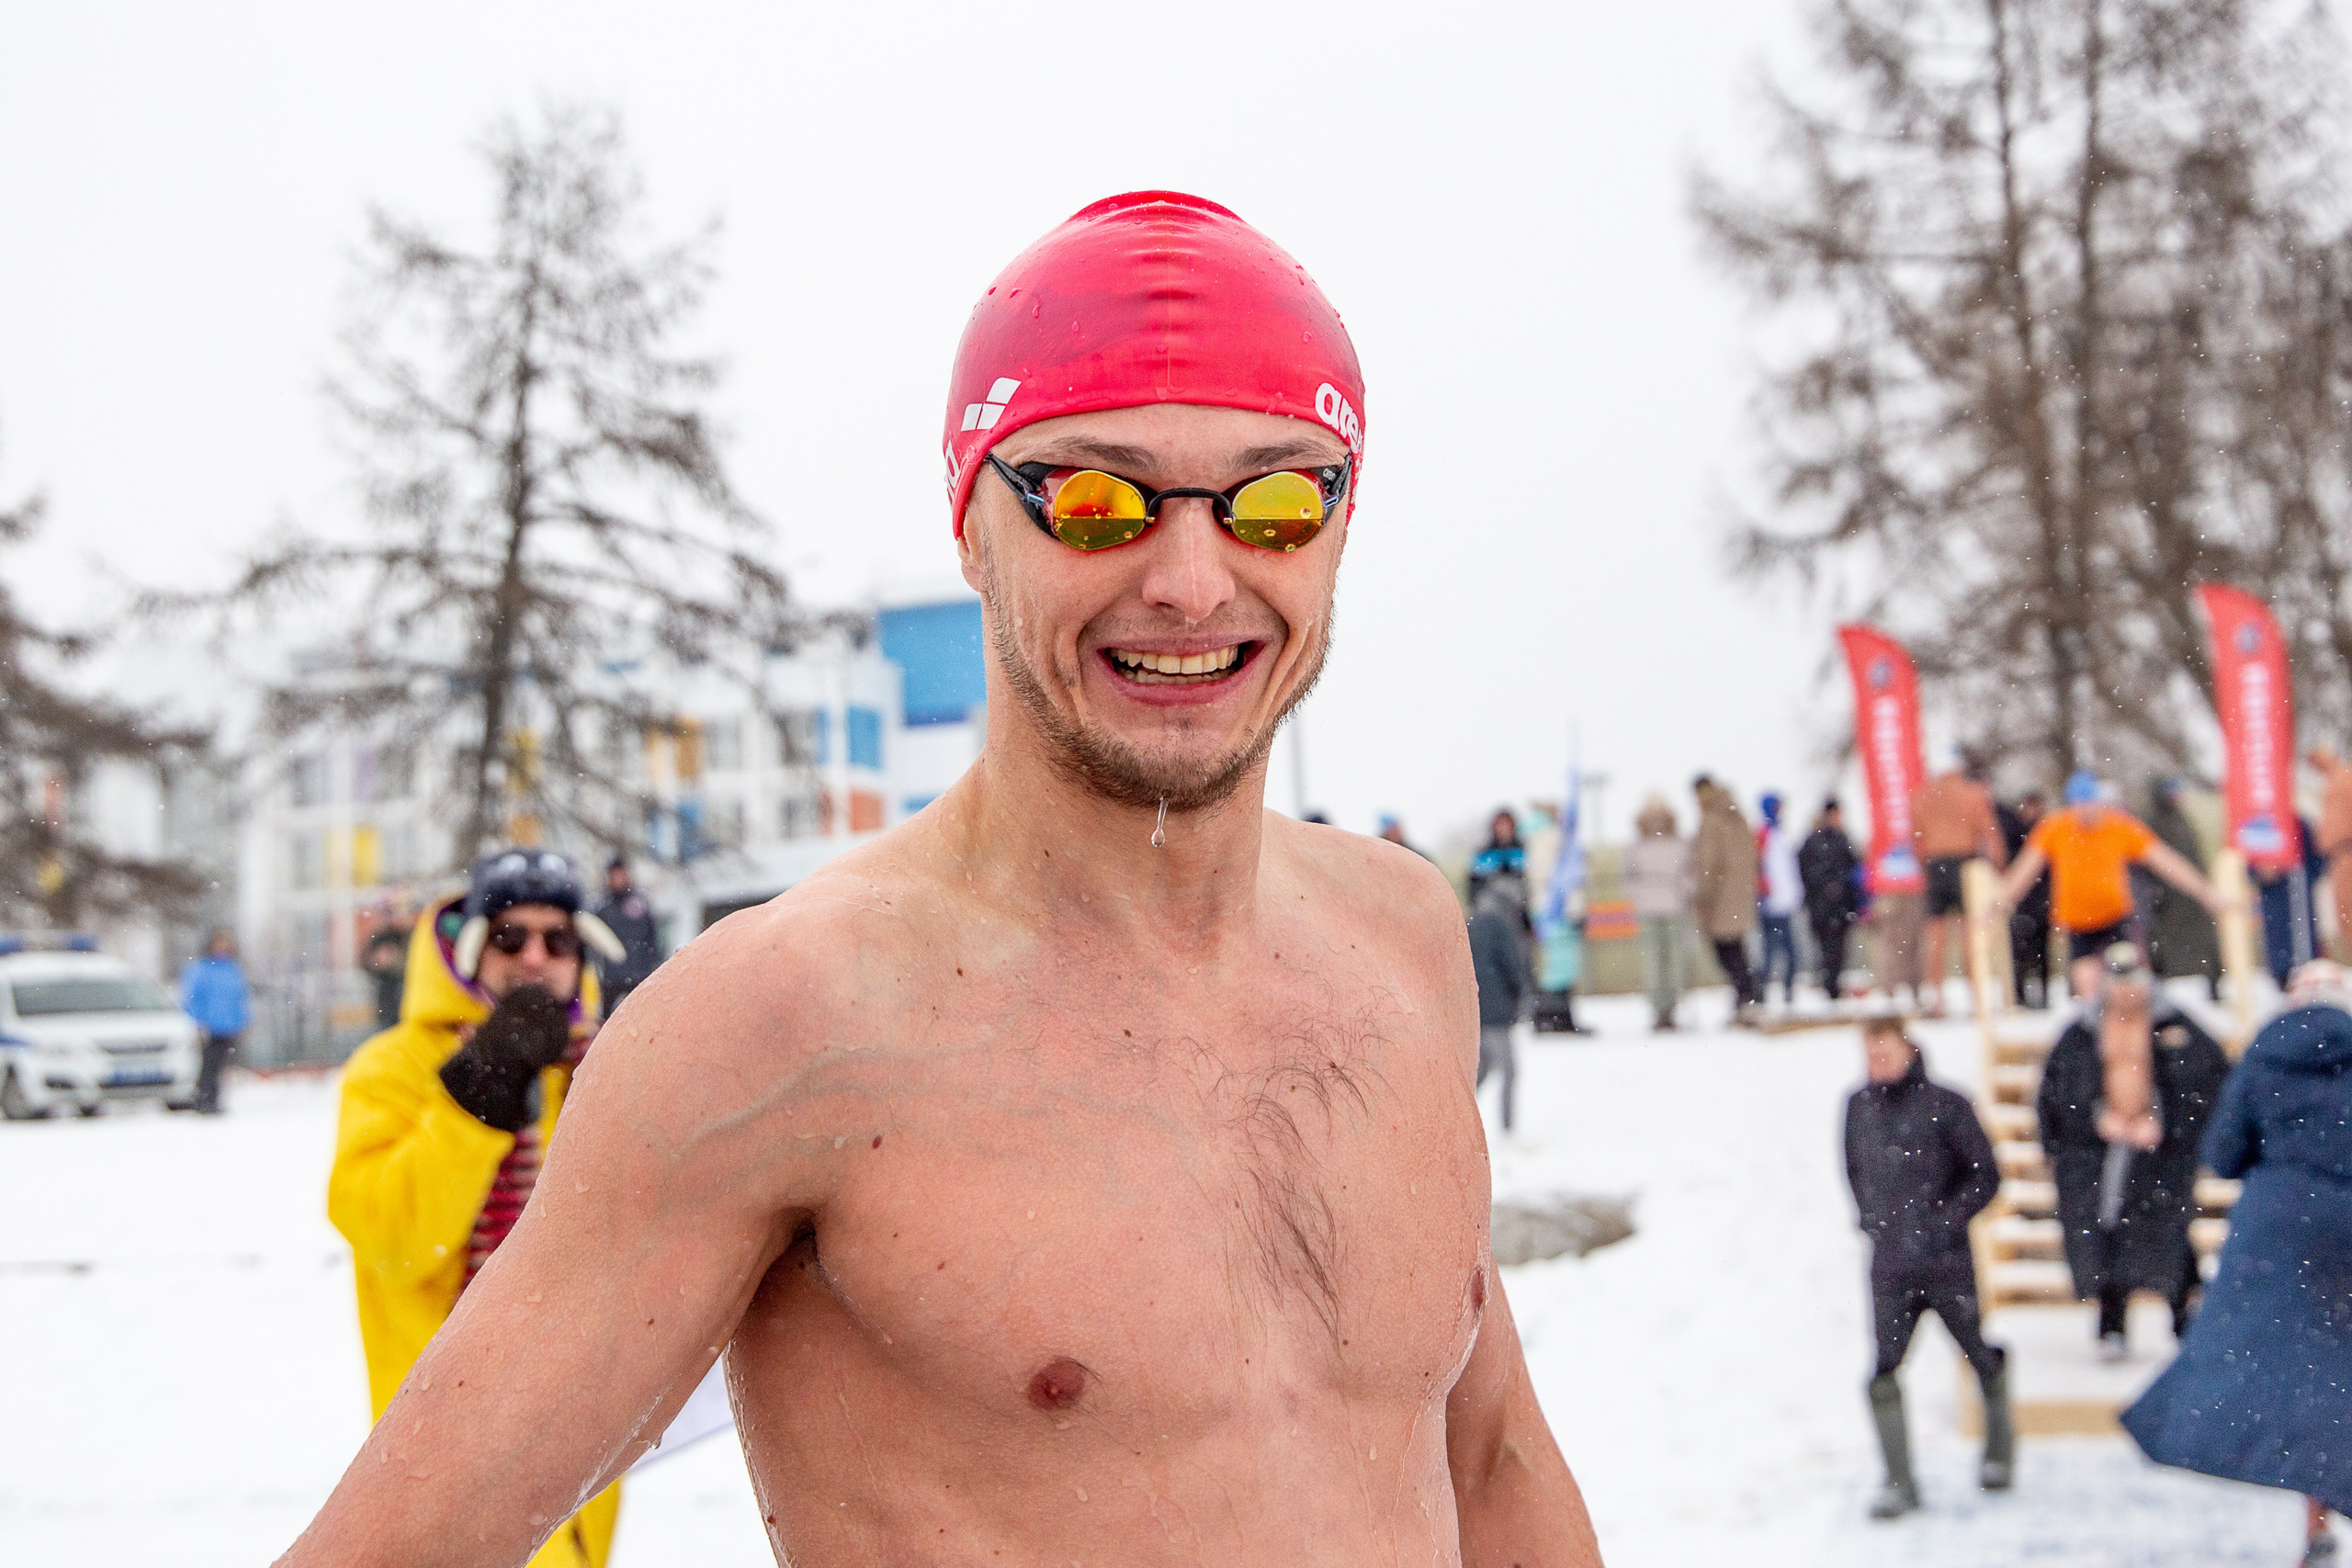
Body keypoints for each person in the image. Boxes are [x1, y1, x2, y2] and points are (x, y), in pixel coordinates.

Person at [280, 191, 1600, 1568]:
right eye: (1095, 501)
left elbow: (1492, 1460)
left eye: (1274, 500)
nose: (1194, 581)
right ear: (971, 525)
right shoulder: (781, 1020)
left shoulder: (1402, 939)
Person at [325, 850, 628, 1567]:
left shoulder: (608, 1067)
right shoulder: (392, 1068)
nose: (535, 957)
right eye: (509, 936)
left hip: (577, 1430)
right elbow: (394, 1239)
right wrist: (474, 1098)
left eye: (558, 939)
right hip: (444, 1442)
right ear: (468, 948)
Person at [2123, 964, 2352, 1567]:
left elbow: (2223, 1153)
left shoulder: (2265, 1054)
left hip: (2279, 1227)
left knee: (2301, 1377)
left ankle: (2316, 1526)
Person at [1844, 1010, 2011, 1518]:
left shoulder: (1947, 1105)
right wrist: (1873, 1221)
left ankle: (1999, 1452)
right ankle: (1899, 1481)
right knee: (1884, 1371)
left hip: (1946, 1263)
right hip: (1890, 1266)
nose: (1878, 1062)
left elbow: (1986, 1176)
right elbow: (1853, 1170)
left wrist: (1944, 1223)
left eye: (1885, 1052)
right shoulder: (1858, 1108)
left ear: (1908, 1049)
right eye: (1870, 1054)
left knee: (1978, 1353)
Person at [2034, 942, 2229, 1358]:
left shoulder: (2177, 1029)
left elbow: (2208, 1082)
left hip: (2161, 1154)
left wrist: (2166, 1122)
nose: (2126, 992)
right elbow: (2058, 1092)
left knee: (2168, 1233)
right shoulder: (2082, 1033)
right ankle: (2112, 1320)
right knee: (2105, 1233)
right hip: (2099, 1155)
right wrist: (2094, 1117)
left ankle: (2185, 1315)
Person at [1993, 770, 2234, 1002]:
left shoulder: (2118, 826)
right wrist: (1999, 903)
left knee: (2125, 985)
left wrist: (2206, 892)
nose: (2085, 810)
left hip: (2114, 918)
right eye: (2080, 804)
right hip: (2077, 923)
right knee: (2088, 988)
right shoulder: (2055, 828)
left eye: (2090, 803)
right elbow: (2025, 870)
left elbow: (2165, 861)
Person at [1910, 753, 2007, 1017]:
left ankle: (1937, 1000)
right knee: (1970, 935)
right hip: (1965, 864)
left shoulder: (1922, 796)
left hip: (1936, 865)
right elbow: (1990, 833)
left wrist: (1927, 869)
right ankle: (1976, 999)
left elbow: (1916, 840)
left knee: (1936, 938)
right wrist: (1998, 869)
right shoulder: (1972, 793)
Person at [2138, 778, 2222, 1002]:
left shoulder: (2182, 818)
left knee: (2207, 942)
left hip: (2192, 896)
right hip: (2167, 901)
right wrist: (2156, 892)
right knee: (2160, 948)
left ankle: (2214, 987)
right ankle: (2160, 995)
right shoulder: (2151, 821)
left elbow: (2194, 854)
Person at [1692, 775, 1763, 1014]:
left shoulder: (1712, 819)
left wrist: (1703, 896)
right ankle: (1749, 993)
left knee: (1726, 952)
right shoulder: (1735, 814)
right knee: (1736, 949)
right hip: (1738, 894)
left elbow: (1708, 864)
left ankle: (1747, 994)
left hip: (1721, 898)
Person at [1468, 871, 1532, 1132]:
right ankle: (1508, 1128)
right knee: (1509, 1070)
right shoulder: (1502, 925)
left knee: (1483, 1068)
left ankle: (1459, 1114)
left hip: (1476, 1007)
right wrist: (1522, 994)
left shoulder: (1472, 922)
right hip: (1496, 1010)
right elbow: (1512, 966)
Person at [1627, 794, 1695, 1031]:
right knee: (1657, 961)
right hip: (1653, 910)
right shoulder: (1639, 846)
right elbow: (1629, 878)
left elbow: (1688, 875)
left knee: (1670, 960)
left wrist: (1682, 890)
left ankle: (1668, 1008)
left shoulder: (1678, 843)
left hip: (1672, 909)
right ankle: (1660, 1008)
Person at [177, 929, 250, 1116]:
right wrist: (198, 1020)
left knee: (220, 1065)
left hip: (228, 1026)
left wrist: (243, 1020)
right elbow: (191, 997)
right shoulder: (201, 969)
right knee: (208, 1064)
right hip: (209, 1026)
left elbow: (240, 998)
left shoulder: (233, 969)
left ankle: (214, 1099)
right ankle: (203, 1099)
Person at [1799, 798, 1864, 1000]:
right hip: (1825, 907)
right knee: (1829, 949)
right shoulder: (1817, 841)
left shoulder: (1841, 838)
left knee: (1837, 950)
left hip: (1840, 907)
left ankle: (1832, 985)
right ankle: (1830, 987)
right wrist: (1830, 887)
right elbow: (1809, 872)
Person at [1998, 790, 2052, 1007]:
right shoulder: (2014, 831)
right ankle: (2020, 995)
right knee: (2019, 951)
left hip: (2041, 900)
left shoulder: (2046, 831)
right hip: (2022, 902)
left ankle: (2043, 995)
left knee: (2042, 950)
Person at [588, 856, 662, 1014]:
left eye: (621, 874)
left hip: (639, 977)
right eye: (614, 874)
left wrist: (653, 968)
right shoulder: (602, 906)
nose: (618, 879)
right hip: (611, 979)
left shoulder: (640, 904)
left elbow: (652, 939)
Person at [1755, 791, 1804, 1006]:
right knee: (1772, 950)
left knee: (1787, 950)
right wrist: (1765, 889)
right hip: (1771, 903)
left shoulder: (1780, 833)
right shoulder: (1763, 835)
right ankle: (1762, 990)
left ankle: (1787, 989)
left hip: (1785, 902)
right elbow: (1759, 867)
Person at [2311, 745, 2352, 960]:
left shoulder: (2343, 779)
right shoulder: (2332, 781)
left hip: (2346, 853)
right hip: (2336, 857)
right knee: (2343, 915)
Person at [361, 908, 411, 1032]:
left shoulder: (408, 936)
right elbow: (365, 962)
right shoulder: (381, 937)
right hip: (390, 1008)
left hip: (405, 1007)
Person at [1467, 806, 1525, 900]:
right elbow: (1474, 881)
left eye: (1507, 825)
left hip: (1518, 900)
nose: (1503, 829)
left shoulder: (1524, 850)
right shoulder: (1484, 853)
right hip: (1490, 900)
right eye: (1500, 825)